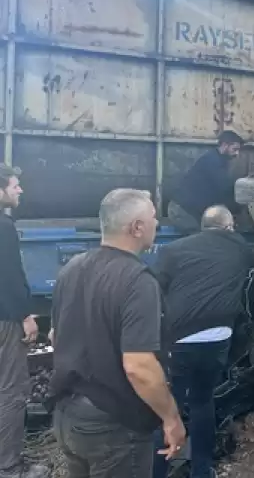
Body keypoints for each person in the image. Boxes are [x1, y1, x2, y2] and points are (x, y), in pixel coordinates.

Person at [50, 189, 185, 478]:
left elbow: (55, 337)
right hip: (114, 427)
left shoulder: (70, 269)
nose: (157, 224)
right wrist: (171, 417)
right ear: (136, 228)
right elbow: (139, 367)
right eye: (152, 218)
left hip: (68, 416)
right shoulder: (138, 281)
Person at [152, 206, 254, 478]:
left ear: (203, 226)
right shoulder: (236, 246)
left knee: (168, 406)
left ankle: (157, 470)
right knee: (202, 401)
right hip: (217, 338)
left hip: (179, 338)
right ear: (229, 227)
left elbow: (155, 289)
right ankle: (202, 469)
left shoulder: (174, 250)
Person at [0, 165, 48, 478]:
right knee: (11, 391)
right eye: (15, 185)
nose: (20, 190)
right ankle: (9, 465)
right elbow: (10, 277)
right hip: (4, 319)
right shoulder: (3, 226)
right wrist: (25, 316)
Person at [168, 131, 244, 235]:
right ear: (225, 145)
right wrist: (241, 207)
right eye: (234, 149)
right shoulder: (212, 162)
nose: (237, 154)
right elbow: (224, 189)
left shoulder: (219, 161)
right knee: (201, 241)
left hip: (188, 210)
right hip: (182, 211)